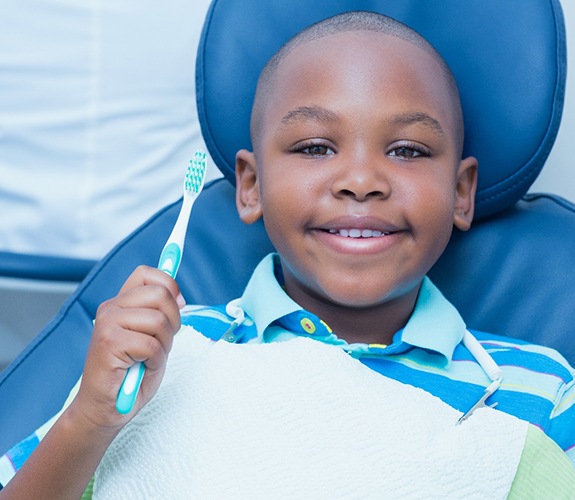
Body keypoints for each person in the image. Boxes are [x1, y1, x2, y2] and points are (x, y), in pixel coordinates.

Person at [1, 11, 574, 499]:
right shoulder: (165, 357)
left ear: (461, 192)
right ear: (249, 186)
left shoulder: (542, 392)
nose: (361, 180)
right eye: (315, 147)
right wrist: (90, 419)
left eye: (406, 150)